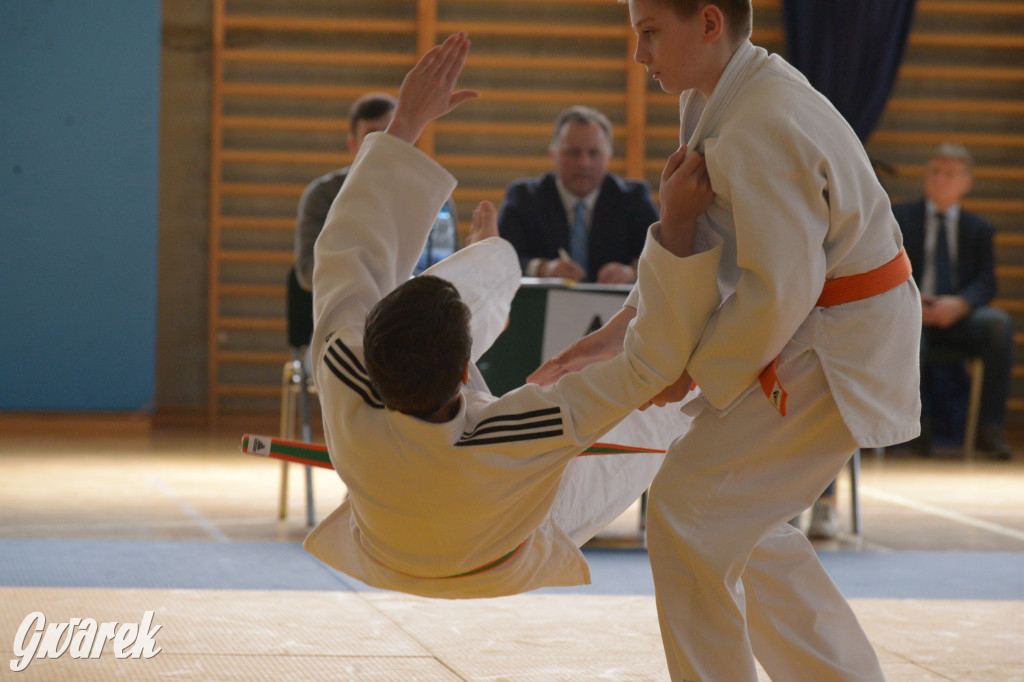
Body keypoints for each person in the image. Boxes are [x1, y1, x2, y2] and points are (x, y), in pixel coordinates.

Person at [530, 1, 921, 679]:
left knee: (686, 508)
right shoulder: (720, 96)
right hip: (812, 323)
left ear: (710, 23)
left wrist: (697, 372)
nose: (639, 55)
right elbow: (709, 252)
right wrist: (619, 335)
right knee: (738, 518)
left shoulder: (758, 121)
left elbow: (776, 289)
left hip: (836, 340)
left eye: (650, 34)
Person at [304, 32, 725, 600]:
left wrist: (404, 123)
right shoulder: (511, 437)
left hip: (381, 544)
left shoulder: (342, 367)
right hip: (507, 552)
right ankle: (492, 264)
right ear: (468, 368)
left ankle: (490, 263)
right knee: (664, 405)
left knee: (403, 303)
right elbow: (645, 376)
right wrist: (677, 226)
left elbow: (347, 251)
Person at [893, 143, 1014, 460]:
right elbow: (886, 270)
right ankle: (915, 428)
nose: (941, 179)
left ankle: (989, 430)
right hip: (912, 311)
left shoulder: (979, 229)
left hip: (959, 316)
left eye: (950, 173)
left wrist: (959, 305)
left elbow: (986, 282)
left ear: (966, 183)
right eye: (935, 171)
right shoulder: (898, 218)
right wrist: (915, 301)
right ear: (925, 176)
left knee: (998, 325)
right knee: (907, 337)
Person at [293, 92, 457, 292]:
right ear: (353, 145)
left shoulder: (431, 195)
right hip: (349, 306)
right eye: (373, 137)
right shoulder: (324, 195)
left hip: (417, 310)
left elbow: (447, 269)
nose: (383, 146)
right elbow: (308, 272)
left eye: (392, 135)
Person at [497, 105, 659, 283]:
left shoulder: (634, 199)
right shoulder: (524, 198)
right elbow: (501, 261)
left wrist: (631, 272)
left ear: (608, 158)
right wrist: (542, 269)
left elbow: (661, 259)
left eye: (594, 153)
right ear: (554, 156)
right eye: (573, 153)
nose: (584, 163)